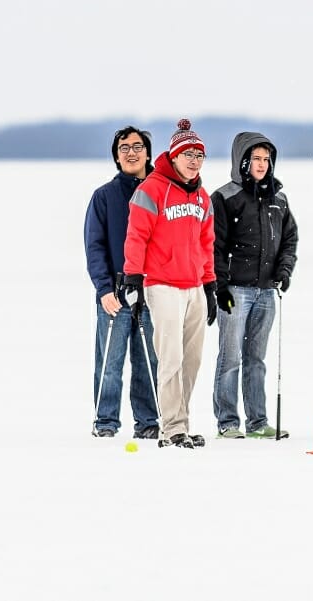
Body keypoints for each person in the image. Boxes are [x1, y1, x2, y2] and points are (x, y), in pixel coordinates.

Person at [123, 118, 217, 449]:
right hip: (161, 284)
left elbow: (207, 244)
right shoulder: (151, 189)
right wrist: (133, 276)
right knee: (171, 358)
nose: (194, 161)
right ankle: (171, 428)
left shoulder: (203, 198)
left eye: (199, 155)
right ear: (174, 156)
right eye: (188, 154)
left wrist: (209, 284)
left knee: (192, 361)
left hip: (194, 286)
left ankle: (182, 423)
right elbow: (136, 237)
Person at [211, 132, 298, 439]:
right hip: (234, 291)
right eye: (256, 159)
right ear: (243, 161)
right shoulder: (225, 197)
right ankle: (228, 422)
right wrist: (219, 288)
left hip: (265, 291)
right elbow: (214, 246)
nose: (262, 165)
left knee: (256, 358)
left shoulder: (279, 198)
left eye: (266, 159)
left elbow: (289, 239)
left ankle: (258, 422)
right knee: (230, 356)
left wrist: (284, 270)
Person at [84, 126, 160, 439]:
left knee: (148, 361)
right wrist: (103, 289)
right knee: (109, 364)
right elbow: (95, 246)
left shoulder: (161, 193)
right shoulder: (104, 197)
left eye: (137, 146)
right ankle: (105, 423)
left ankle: (149, 422)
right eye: (124, 147)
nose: (131, 152)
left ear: (147, 152)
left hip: (153, 292)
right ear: (117, 156)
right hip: (115, 295)